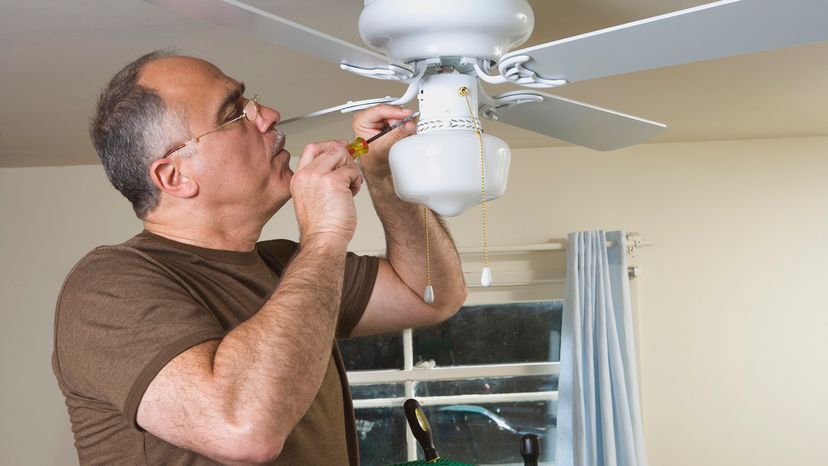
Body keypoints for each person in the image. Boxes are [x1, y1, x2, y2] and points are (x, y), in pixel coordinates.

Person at [51, 50, 467, 465]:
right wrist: (323, 236)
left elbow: (429, 293)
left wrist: (384, 177)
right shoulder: (106, 286)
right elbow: (243, 430)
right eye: (235, 113)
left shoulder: (287, 266)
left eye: (252, 102)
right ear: (174, 177)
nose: (268, 114)